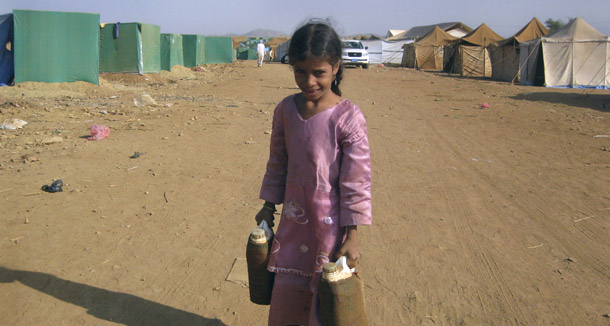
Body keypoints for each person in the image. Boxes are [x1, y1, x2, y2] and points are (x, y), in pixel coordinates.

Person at [255, 20, 372, 326]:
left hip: (329, 230)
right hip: (293, 224)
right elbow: (277, 163)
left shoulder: (348, 117)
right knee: (288, 295)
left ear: (335, 66)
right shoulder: (285, 111)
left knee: (324, 300)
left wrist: (353, 236)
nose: (309, 81)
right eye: (300, 72)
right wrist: (269, 207)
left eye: (318, 72)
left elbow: (356, 182)